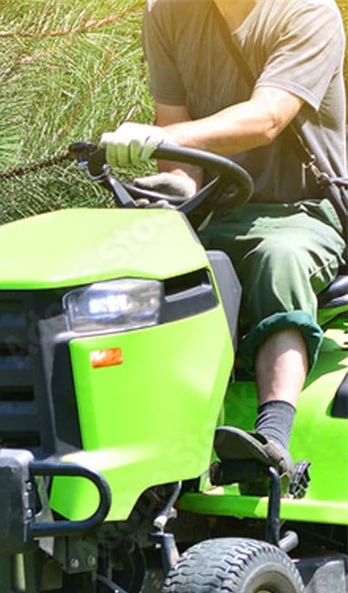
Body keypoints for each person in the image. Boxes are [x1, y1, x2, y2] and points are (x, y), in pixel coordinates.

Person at [100, 0, 346, 488]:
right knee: (125, 262)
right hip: (216, 208)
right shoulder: (167, 13)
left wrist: (160, 137)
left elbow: (267, 119)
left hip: (304, 212)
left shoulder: (308, 13)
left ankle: (272, 440)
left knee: (278, 258)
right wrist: (174, 187)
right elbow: (179, 148)